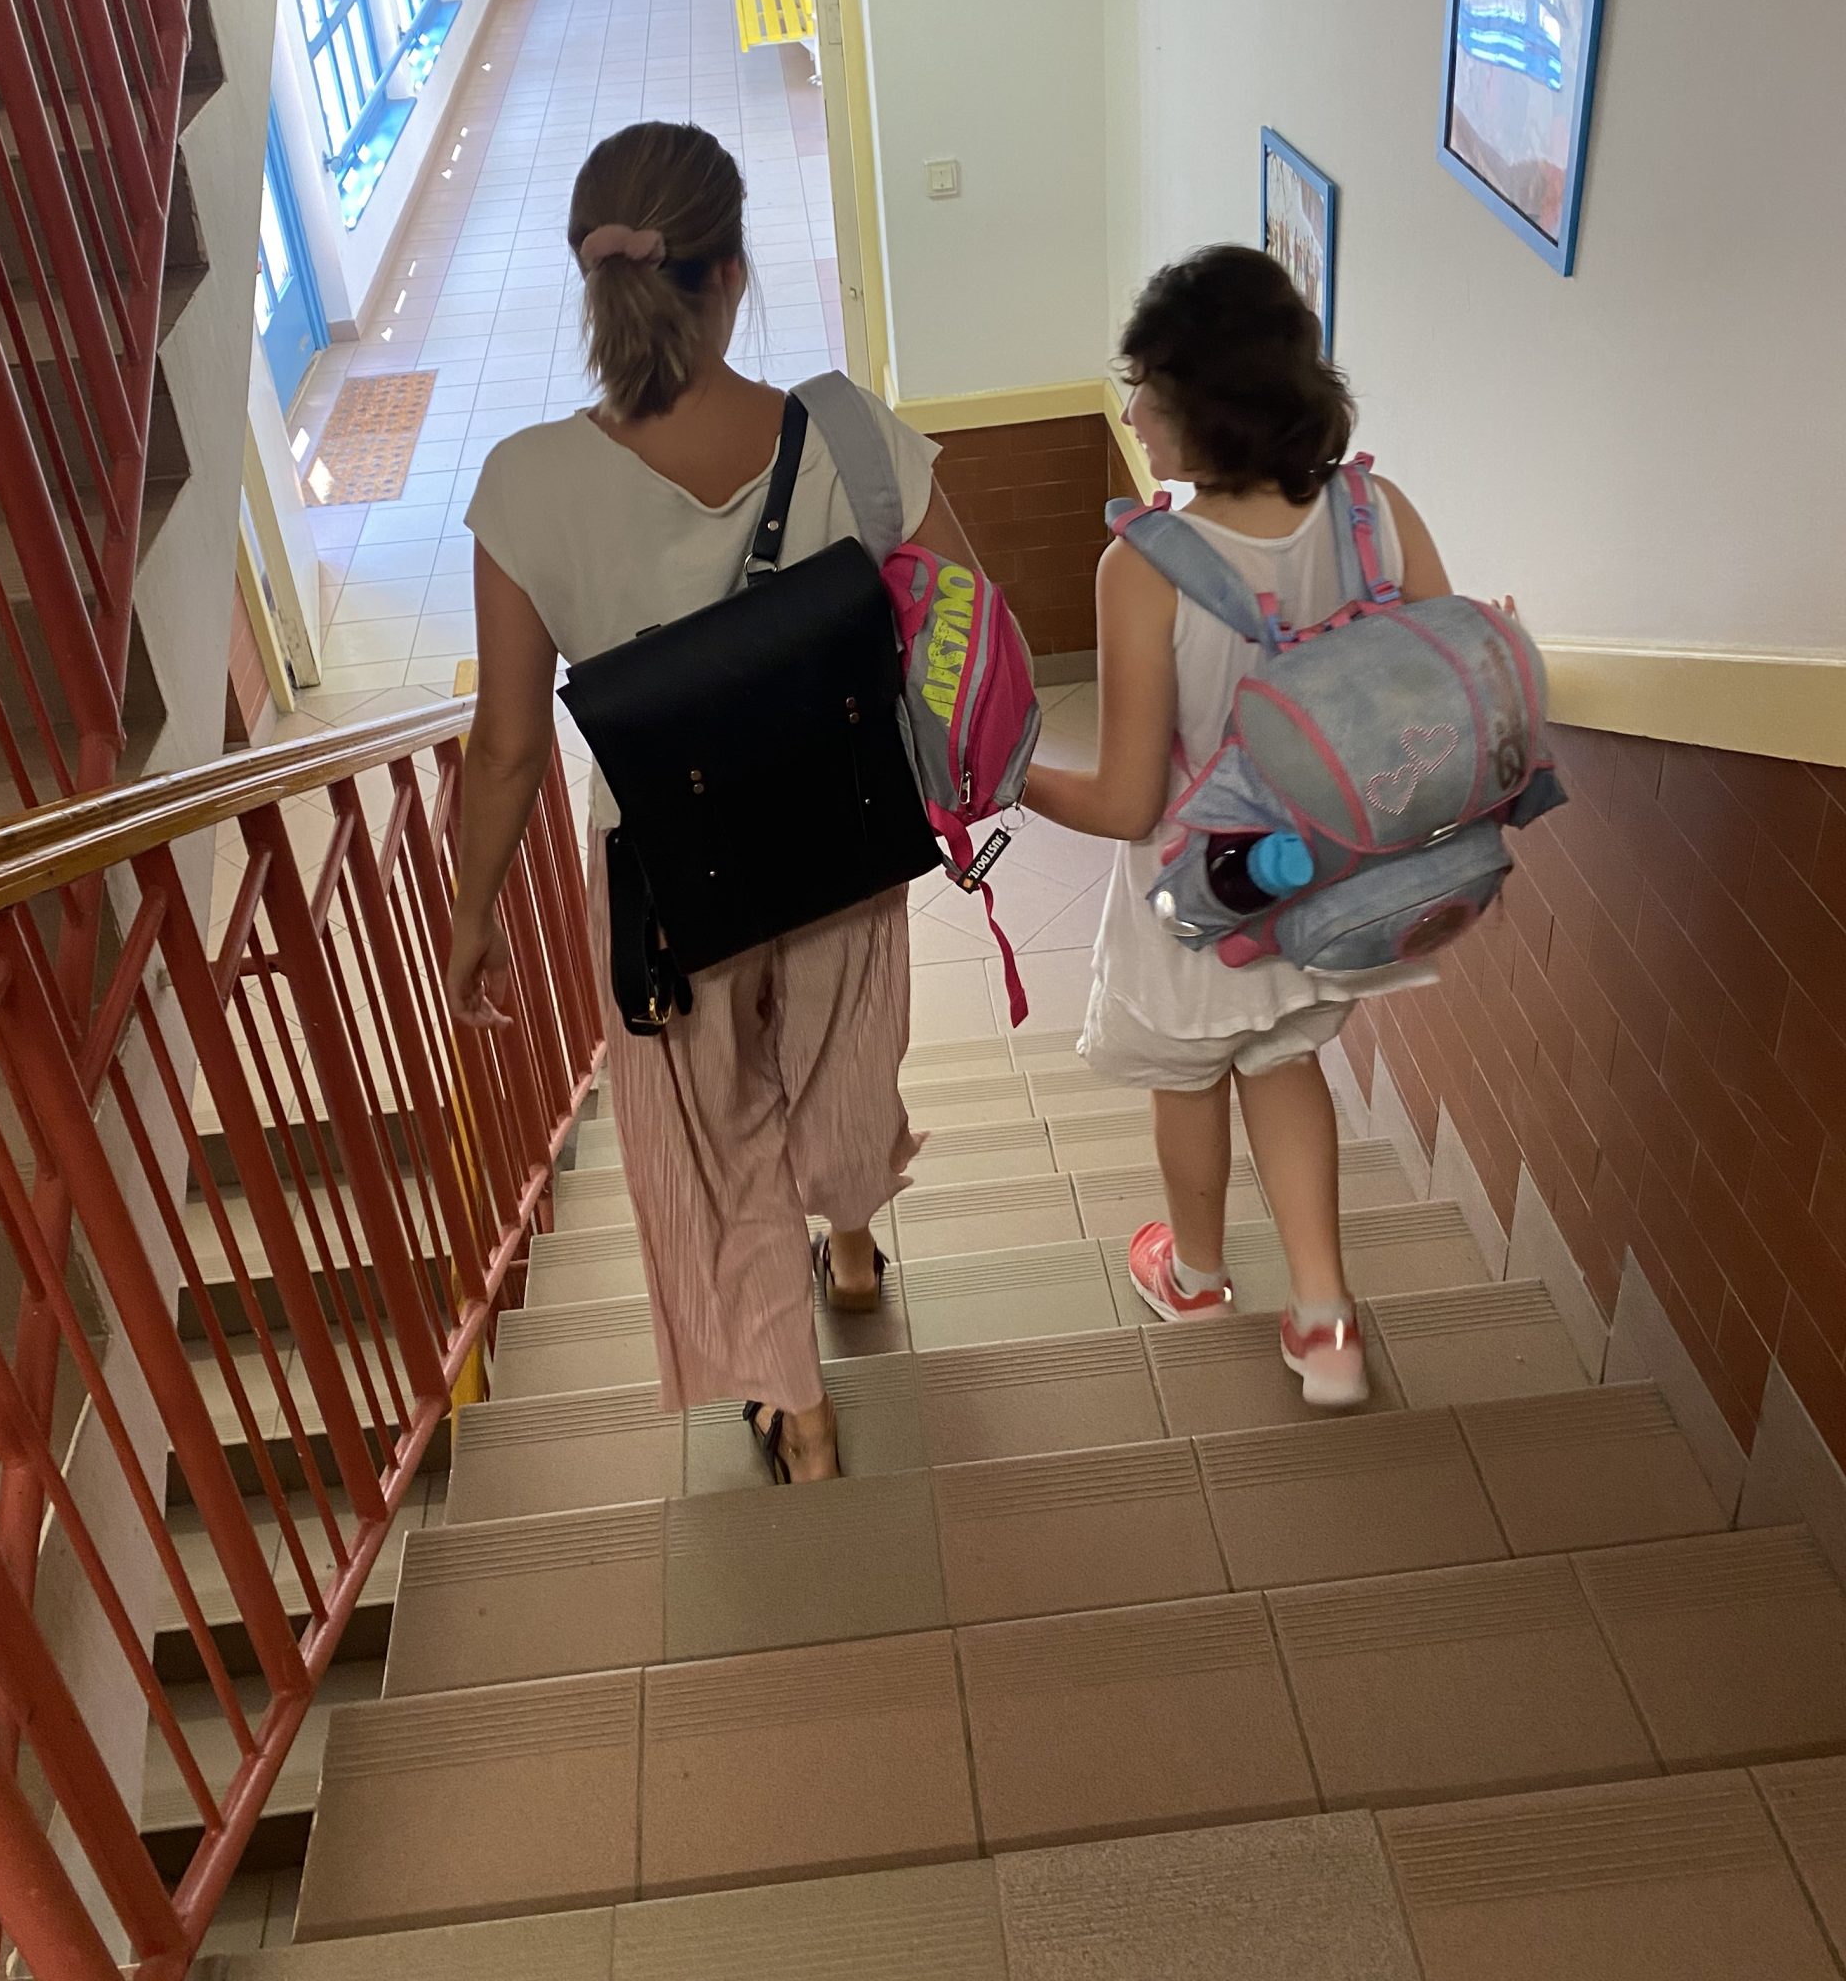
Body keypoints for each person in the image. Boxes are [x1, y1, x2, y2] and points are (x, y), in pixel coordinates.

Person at [445, 120, 980, 1482]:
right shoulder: (849, 433)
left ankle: (800, 1414)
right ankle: (849, 1244)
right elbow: (966, 616)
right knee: (841, 1072)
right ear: (733, 271)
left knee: (714, 1134)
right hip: (843, 840)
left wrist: (474, 914)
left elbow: (506, 749)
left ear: (592, 279)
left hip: (668, 884)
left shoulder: (525, 484)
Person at [1021, 245, 1451, 1407]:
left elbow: (1127, 802)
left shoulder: (1146, 568)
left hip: (1200, 894)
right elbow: (1441, 677)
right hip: (1327, 879)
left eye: (1145, 388)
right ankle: (1326, 1320)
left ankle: (1197, 1275)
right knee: (1285, 1055)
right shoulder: (1376, 512)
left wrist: (1013, 779)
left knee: (1190, 1074)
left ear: (1203, 401)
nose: (1131, 414)